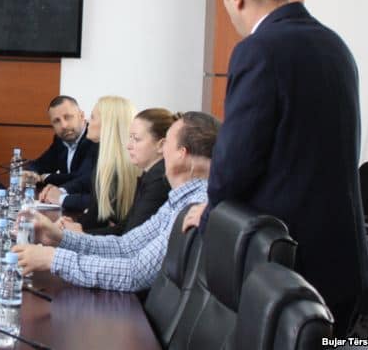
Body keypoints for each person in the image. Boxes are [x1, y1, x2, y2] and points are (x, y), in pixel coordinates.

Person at [182, 0, 368, 334]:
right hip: (343, 260)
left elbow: (235, 164)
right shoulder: (335, 45)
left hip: (286, 262)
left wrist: (211, 213)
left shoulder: (259, 50)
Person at [12, 112, 218, 292]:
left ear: (181, 154)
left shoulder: (193, 206)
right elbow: (125, 246)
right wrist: (58, 237)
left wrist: (52, 259)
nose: (162, 150)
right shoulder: (180, 199)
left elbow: (136, 273)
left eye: (167, 144)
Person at [59, 107, 174, 235]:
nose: (128, 146)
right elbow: (124, 228)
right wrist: (80, 231)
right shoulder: (149, 175)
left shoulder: (159, 181)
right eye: (130, 137)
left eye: (136, 139)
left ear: (161, 145)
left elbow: (130, 238)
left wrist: (81, 234)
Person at [39, 96, 135, 214]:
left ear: (108, 125)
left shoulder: (118, 163)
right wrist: (61, 191)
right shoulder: (103, 151)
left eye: (93, 117)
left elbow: (99, 203)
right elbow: (86, 179)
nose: (88, 121)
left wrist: (60, 198)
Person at [21, 96, 96, 187]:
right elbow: (40, 164)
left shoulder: (94, 139)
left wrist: (46, 177)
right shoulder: (60, 140)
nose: (63, 126)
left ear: (82, 116)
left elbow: (82, 178)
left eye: (68, 117)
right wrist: (30, 173)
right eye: (57, 121)